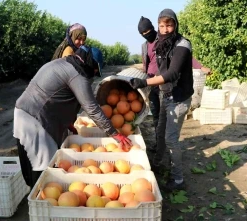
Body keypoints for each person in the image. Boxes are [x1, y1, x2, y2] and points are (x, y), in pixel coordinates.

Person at [14, 46, 132, 188]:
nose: (94, 73)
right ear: (90, 64)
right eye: (95, 70)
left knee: (33, 163)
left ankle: (38, 197)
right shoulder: (77, 75)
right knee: (43, 167)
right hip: (36, 120)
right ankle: (39, 203)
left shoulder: (61, 64)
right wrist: (114, 134)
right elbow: (92, 108)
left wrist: (68, 122)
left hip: (24, 114)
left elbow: (55, 96)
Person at [130, 9, 193, 192]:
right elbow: (159, 70)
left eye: (169, 25)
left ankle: (178, 180)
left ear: (175, 25)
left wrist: (144, 81)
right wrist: (145, 83)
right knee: (160, 131)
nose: (165, 29)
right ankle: (157, 163)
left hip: (179, 98)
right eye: (162, 26)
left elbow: (172, 73)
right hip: (166, 95)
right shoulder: (160, 44)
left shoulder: (183, 44)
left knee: (171, 139)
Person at [138, 16, 160, 153]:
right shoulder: (144, 46)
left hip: (164, 81)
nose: (147, 35)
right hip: (151, 83)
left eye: (149, 31)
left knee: (164, 115)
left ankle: (165, 144)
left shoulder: (163, 40)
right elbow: (145, 64)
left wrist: (200, 67)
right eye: (143, 34)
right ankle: (159, 144)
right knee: (156, 113)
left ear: (153, 28)